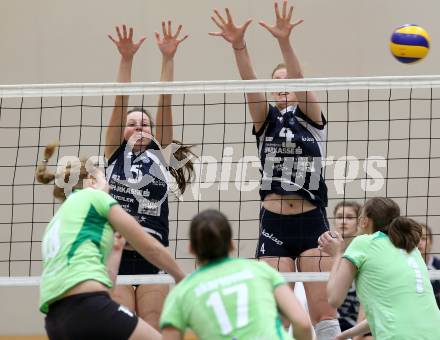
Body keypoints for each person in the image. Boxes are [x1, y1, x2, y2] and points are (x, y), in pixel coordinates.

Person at [209, 2, 339, 338]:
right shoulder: (265, 120)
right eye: (276, 80)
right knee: (277, 313)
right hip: (274, 224)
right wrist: (239, 45)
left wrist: (284, 41)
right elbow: (249, 82)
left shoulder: (311, 119)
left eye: (287, 79)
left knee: (323, 311)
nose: (282, 84)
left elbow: (299, 77)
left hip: (313, 222)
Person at [36, 142, 185, 340]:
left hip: (56, 320)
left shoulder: (58, 219)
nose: (109, 185)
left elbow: (105, 281)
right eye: (104, 177)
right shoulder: (95, 197)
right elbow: (151, 247)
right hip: (87, 305)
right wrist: (182, 278)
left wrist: (116, 250)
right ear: (91, 180)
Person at [106, 23, 193, 330]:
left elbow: (165, 101)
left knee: (152, 326)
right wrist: (126, 59)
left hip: (152, 253)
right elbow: (119, 100)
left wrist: (168, 58)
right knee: (124, 328)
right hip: (116, 252)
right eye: (132, 124)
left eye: (144, 124)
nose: (139, 127)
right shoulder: (113, 155)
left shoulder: (161, 155)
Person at [160, 209, 314, 340]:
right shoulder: (261, 271)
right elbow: (303, 324)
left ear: (191, 248)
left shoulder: (181, 293)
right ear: (232, 244)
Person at [319, 197, 440, 339]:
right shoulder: (410, 248)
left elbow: (334, 299)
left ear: (364, 221)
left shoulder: (363, 243)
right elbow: (399, 311)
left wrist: (337, 254)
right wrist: (347, 334)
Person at [418, 223, 440, 308]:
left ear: (431, 242)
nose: (419, 242)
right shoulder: (403, 266)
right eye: (416, 238)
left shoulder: (438, 266)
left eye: (423, 238)